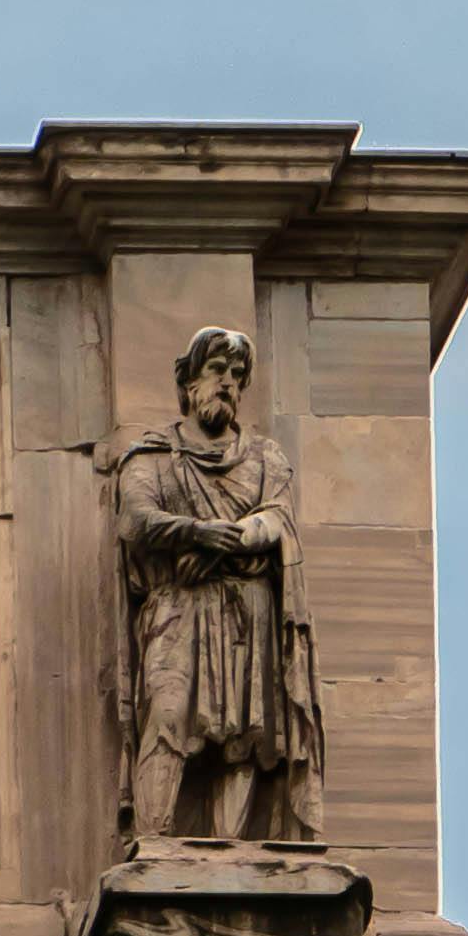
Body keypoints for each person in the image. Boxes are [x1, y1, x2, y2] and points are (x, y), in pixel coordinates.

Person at [105, 326, 322, 844]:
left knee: (245, 735)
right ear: (189, 382)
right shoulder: (152, 457)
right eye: (217, 371)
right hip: (176, 609)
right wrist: (199, 533)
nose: (228, 384)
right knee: (168, 714)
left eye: (237, 375)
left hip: (248, 606)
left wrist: (234, 541)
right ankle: (154, 842)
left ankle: (230, 851)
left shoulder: (265, 458)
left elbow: (279, 518)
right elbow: (136, 520)